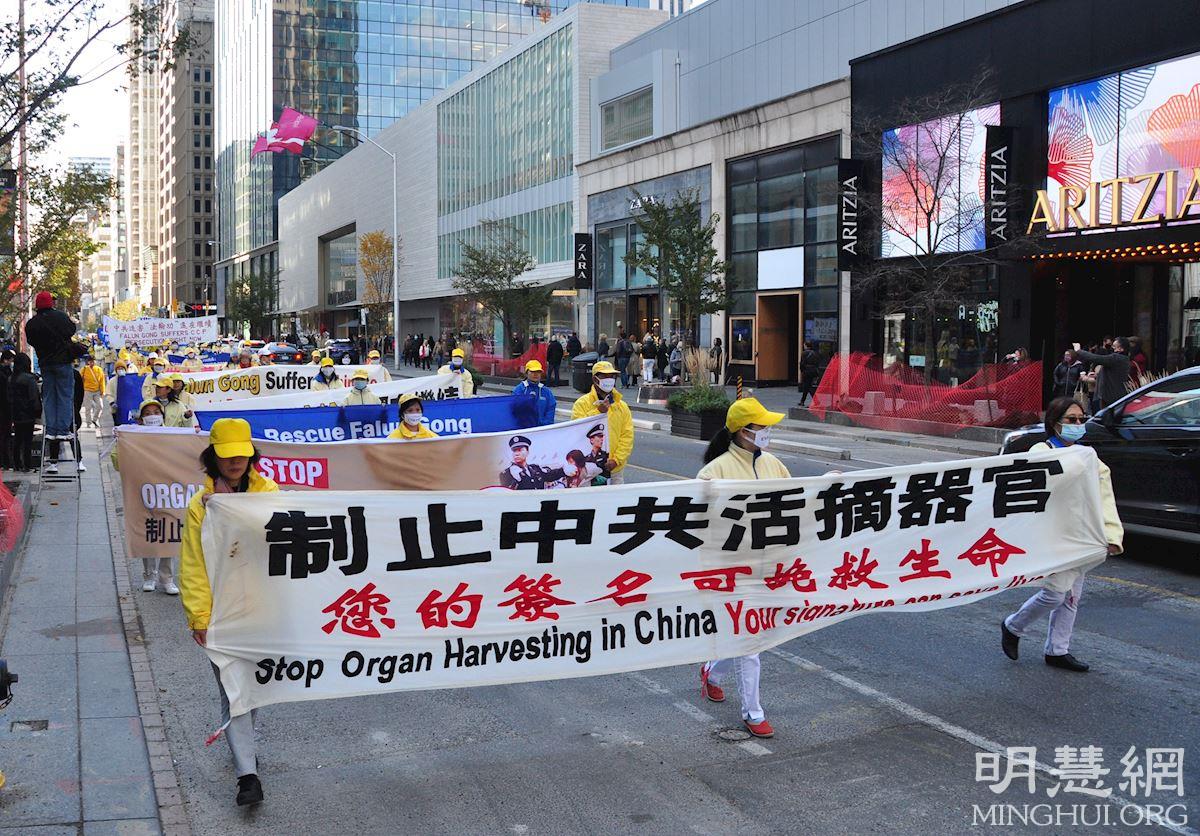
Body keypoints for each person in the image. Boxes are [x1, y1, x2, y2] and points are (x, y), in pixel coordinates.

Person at [179, 417, 278, 806]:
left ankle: (244, 746)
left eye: (242, 454)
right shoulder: (199, 507)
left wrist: (238, 511)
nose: (235, 461)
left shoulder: (270, 494)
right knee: (233, 690)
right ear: (213, 457)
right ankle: (247, 776)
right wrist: (199, 617)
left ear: (251, 455)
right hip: (221, 613)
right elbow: (193, 565)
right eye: (227, 455)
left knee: (252, 689)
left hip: (263, 610)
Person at [1001, 397, 1123, 673]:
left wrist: (1112, 535)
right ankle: (1013, 625)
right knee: (1055, 594)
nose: (1078, 424)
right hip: (1052, 536)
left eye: (1081, 419)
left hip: (1081, 535)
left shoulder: (1088, 456)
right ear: (1054, 423)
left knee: (1071, 598)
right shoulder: (1040, 451)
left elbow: (1105, 497)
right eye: (1071, 420)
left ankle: (1058, 649)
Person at [697, 397, 789, 738]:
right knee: (751, 643)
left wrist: (827, 486)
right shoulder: (714, 471)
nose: (767, 432)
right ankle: (753, 712)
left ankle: (712, 671)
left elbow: (796, 503)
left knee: (751, 636)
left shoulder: (774, 465)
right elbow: (698, 523)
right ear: (742, 431)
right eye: (762, 426)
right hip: (731, 571)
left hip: (769, 567)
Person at [24, 291, 77, 443]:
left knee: (49, 397)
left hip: (45, 364)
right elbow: (71, 330)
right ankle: (62, 430)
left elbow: (31, 341)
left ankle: (51, 430)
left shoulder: (32, 324)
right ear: (50, 303)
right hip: (63, 362)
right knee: (64, 395)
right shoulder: (61, 317)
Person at [571, 361, 633, 484]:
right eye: (604, 376)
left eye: (612, 376)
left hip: (614, 470)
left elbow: (627, 436)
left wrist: (616, 460)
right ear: (595, 379)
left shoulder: (622, 406)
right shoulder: (582, 404)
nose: (609, 379)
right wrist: (598, 412)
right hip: (588, 470)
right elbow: (577, 430)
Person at [1076, 337, 1131, 410]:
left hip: (1110, 396)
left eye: (1115, 346)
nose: (1112, 347)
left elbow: (1095, 358)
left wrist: (1079, 350)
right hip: (1114, 394)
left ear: (1121, 349)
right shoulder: (1124, 359)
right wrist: (1097, 376)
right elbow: (1113, 374)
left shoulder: (1117, 358)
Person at [8, 353, 40, 472]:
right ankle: (27, 465)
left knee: (17, 439)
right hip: (28, 414)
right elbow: (34, 397)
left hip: (15, 413)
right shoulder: (29, 379)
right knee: (27, 441)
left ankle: (16, 464)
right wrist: (37, 411)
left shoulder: (11, 379)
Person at [499, 434, 563, 490]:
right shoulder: (506, 473)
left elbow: (550, 475)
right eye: (514, 451)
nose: (516, 454)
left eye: (520, 450)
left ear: (527, 452)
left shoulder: (535, 468)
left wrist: (563, 470)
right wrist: (516, 479)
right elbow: (507, 493)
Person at [513, 360, 557, 426]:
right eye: (532, 371)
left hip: (542, 429)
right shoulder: (519, 390)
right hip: (523, 428)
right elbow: (515, 409)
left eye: (538, 372)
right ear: (526, 373)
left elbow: (551, 408)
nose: (536, 374)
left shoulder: (546, 391)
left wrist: (545, 425)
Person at [81, 354, 106, 428]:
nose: (92, 363)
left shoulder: (99, 369)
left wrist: (102, 391)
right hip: (87, 390)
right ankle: (88, 423)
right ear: (88, 362)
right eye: (90, 361)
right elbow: (80, 380)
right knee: (88, 408)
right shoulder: (84, 369)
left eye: (93, 361)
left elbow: (102, 381)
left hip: (97, 391)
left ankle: (95, 420)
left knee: (100, 406)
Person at [0, 350, 12, 470]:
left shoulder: (7, 373)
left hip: (5, 409)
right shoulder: (5, 375)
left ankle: (5, 462)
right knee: (5, 436)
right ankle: (5, 462)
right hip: (5, 410)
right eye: (10, 361)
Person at [798, 341, 820, 406]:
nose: (804, 346)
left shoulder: (804, 353)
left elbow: (802, 363)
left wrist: (802, 371)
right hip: (813, 371)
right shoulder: (815, 353)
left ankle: (816, 401)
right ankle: (802, 401)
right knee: (806, 387)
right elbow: (817, 362)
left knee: (808, 387)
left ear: (806, 346)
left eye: (804, 345)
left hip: (807, 371)